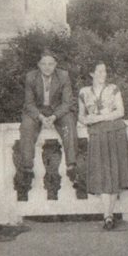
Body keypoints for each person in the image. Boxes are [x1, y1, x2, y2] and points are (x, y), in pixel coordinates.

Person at [78, 62, 128, 229]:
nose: (103, 74)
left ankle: (110, 215)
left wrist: (98, 118)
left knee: (114, 171)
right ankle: (106, 215)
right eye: (99, 71)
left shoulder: (113, 88)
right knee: (101, 172)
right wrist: (85, 120)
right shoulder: (84, 92)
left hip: (115, 131)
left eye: (105, 71)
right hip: (96, 135)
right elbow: (81, 115)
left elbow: (120, 111)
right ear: (91, 73)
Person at [19, 51, 78, 181]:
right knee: (27, 125)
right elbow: (29, 103)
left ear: (55, 64)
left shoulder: (63, 76)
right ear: (38, 65)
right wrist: (40, 117)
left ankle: (71, 165)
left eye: (51, 64)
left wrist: (54, 117)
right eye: (44, 64)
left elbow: (67, 102)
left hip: (57, 110)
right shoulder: (31, 77)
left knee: (69, 121)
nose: (47, 67)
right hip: (37, 110)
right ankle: (27, 168)